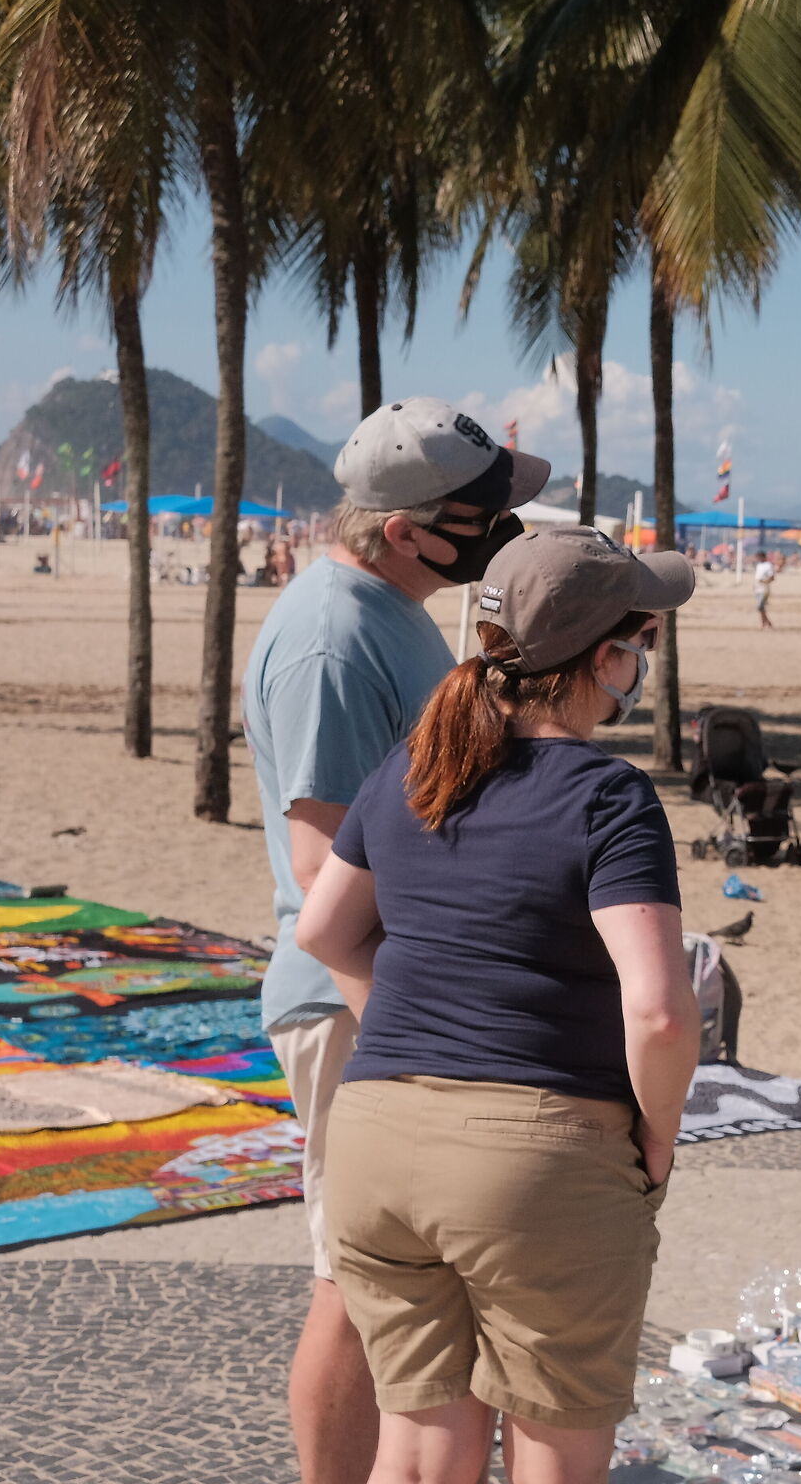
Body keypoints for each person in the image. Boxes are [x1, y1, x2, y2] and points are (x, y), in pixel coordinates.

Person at [296, 523, 698, 1484]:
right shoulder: (608, 796)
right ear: (602, 658)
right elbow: (658, 1012)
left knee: (420, 1451)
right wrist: (656, 1136)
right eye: (641, 640)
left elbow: (324, 932)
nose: (642, 662)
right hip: (537, 1160)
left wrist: (413, 1023)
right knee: (555, 1445)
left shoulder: (413, 768)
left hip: (375, 1141)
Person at [243, 397, 550, 1484]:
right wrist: (410, 1017)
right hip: (356, 999)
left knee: (405, 1276)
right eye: (485, 512)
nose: (503, 527)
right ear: (410, 530)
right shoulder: (332, 638)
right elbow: (322, 869)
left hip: (402, 989)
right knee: (357, 1279)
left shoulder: (393, 609)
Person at [753, 555, 776, 629]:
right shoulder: (759, 565)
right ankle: (766, 623)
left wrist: (764, 581)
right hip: (757, 589)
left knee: (760, 606)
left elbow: (772, 577)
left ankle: (766, 623)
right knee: (761, 608)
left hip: (764, 589)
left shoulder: (768, 565)